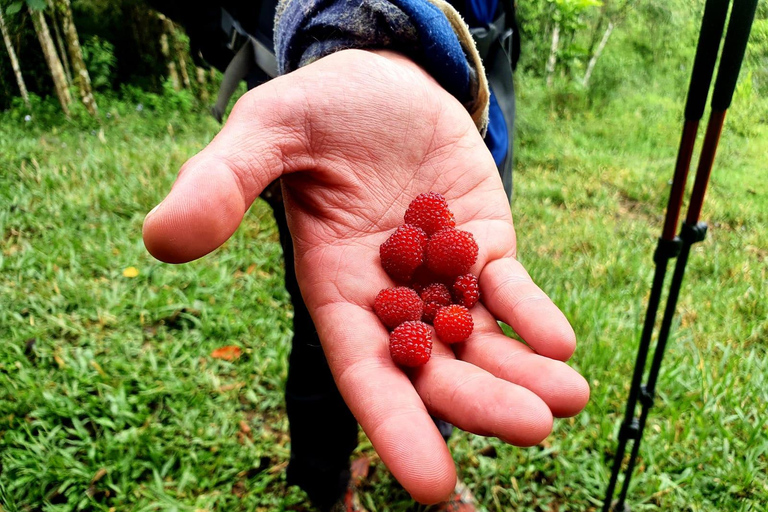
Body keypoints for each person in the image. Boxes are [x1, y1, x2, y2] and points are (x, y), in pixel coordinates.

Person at [142, 2, 590, 510]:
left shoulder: (443, 259)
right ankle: (325, 484)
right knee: (324, 333)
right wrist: (346, 29)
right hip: (334, 162)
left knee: (446, 363)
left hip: (470, 129)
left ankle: (429, 453)